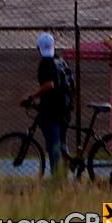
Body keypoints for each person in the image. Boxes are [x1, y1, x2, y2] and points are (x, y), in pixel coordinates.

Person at [22, 31, 72, 174]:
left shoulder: (45, 64)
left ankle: (57, 178)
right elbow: (68, 83)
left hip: (51, 111)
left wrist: (31, 97)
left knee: (53, 145)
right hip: (64, 108)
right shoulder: (60, 61)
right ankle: (64, 174)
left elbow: (49, 84)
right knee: (62, 143)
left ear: (39, 48)